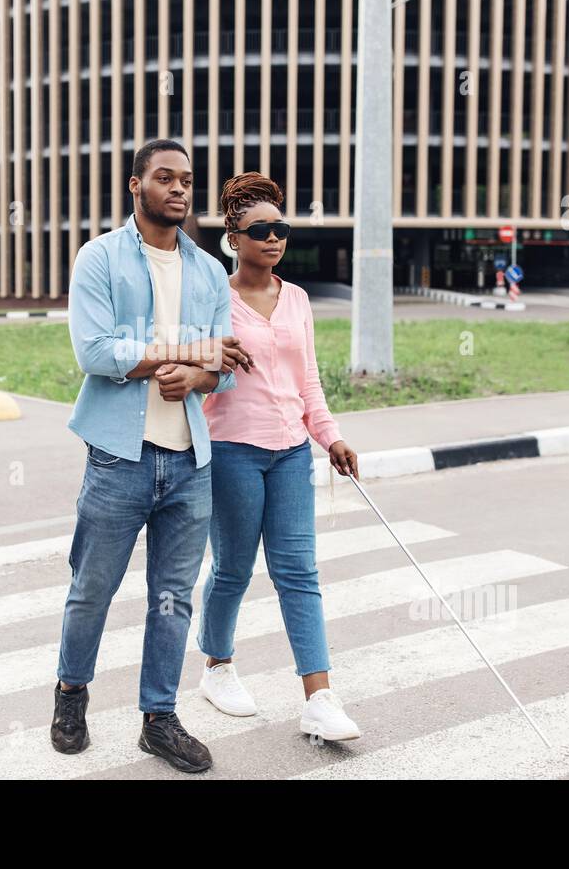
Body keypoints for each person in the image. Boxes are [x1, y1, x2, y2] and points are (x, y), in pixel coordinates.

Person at [52, 139, 254, 773]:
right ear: (135, 185)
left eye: (186, 180)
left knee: (173, 596)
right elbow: (96, 352)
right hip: (120, 457)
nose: (179, 189)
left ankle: (158, 718)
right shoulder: (100, 259)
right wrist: (193, 354)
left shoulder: (207, 272)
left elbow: (224, 368)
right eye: (164, 177)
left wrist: (199, 374)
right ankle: (70, 694)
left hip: (191, 461)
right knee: (92, 589)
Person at [197, 170, 363, 741]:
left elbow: (307, 380)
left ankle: (319, 698)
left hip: (292, 452)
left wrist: (331, 436)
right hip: (232, 453)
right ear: (233, 238)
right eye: (259, 229)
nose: (272, 238)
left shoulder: (296, 299)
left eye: (281, 228)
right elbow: (200, 379)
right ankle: (216, 666)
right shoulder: (213, 297)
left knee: (299, 572)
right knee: (233, 570)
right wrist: (213, 361)